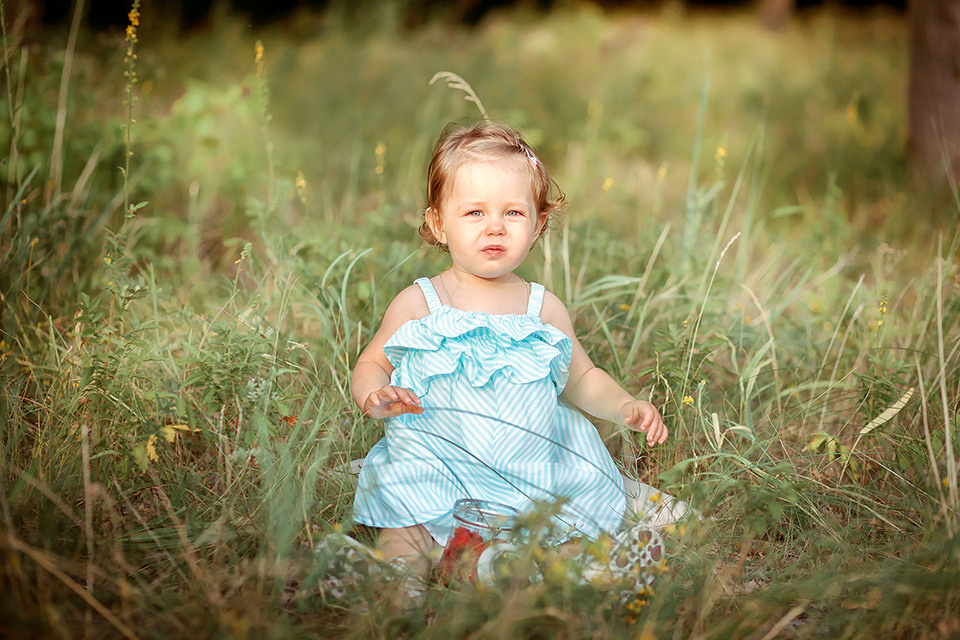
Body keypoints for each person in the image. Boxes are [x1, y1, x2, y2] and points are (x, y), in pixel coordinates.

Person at [349, 120, 668, 584]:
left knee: (565, 524)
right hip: (436, 461)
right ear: (439, 223)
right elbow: (372, 362)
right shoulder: (419, 302)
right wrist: (374, 394)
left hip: (528, 469)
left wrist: (624, 406)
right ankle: (401, 588)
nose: (494, 226)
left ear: (538, 224)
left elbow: (582, 378)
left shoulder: (542, 308)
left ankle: (578, 573)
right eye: (474, 212)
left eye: (513, 213)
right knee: (405, 526)